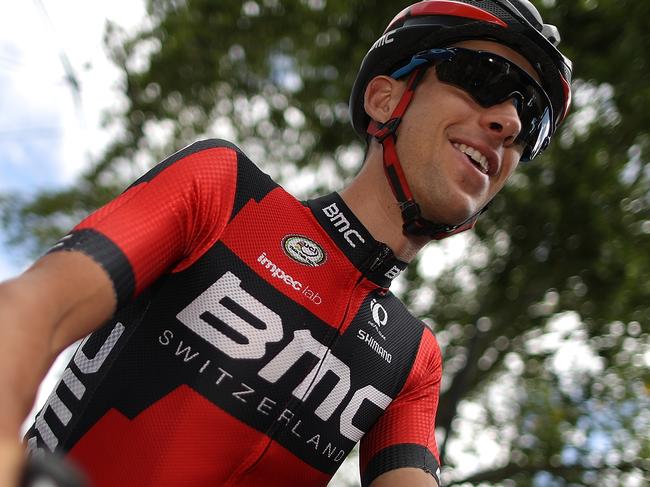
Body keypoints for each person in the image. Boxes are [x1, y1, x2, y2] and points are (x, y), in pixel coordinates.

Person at [0, 1, 572, 486]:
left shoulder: (411, 357)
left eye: (532, 116)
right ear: (384, 100)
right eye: (486, 79)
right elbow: (31, 312)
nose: (509, 122)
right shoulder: (224, 193)